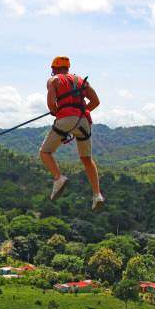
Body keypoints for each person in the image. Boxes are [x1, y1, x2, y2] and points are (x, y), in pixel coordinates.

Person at [39, 56, 104, 211]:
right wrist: (80, 111)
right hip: (83, 121)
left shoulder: (54, 80)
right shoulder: (81, 81)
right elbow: (95, 101)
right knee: (86, 159)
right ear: (67, 68)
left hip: (66, 119)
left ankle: (58, 178)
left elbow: (51, 106)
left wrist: (59, 111)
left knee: (45, 152)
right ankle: (97, 195)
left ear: (54, 69)